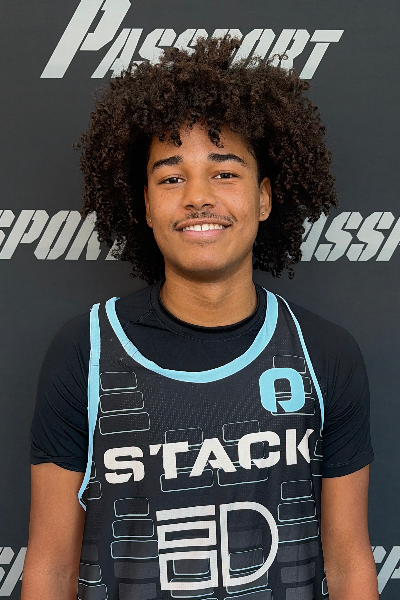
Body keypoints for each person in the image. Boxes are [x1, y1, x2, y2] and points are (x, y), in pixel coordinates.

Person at [22, 37, 378, 600]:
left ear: (264, 198)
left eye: (225, 173)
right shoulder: (85, 351)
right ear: (145, 204)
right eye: (171, 177)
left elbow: (349, 563)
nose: (197, 197)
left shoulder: (323, 353)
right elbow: (50, 570)